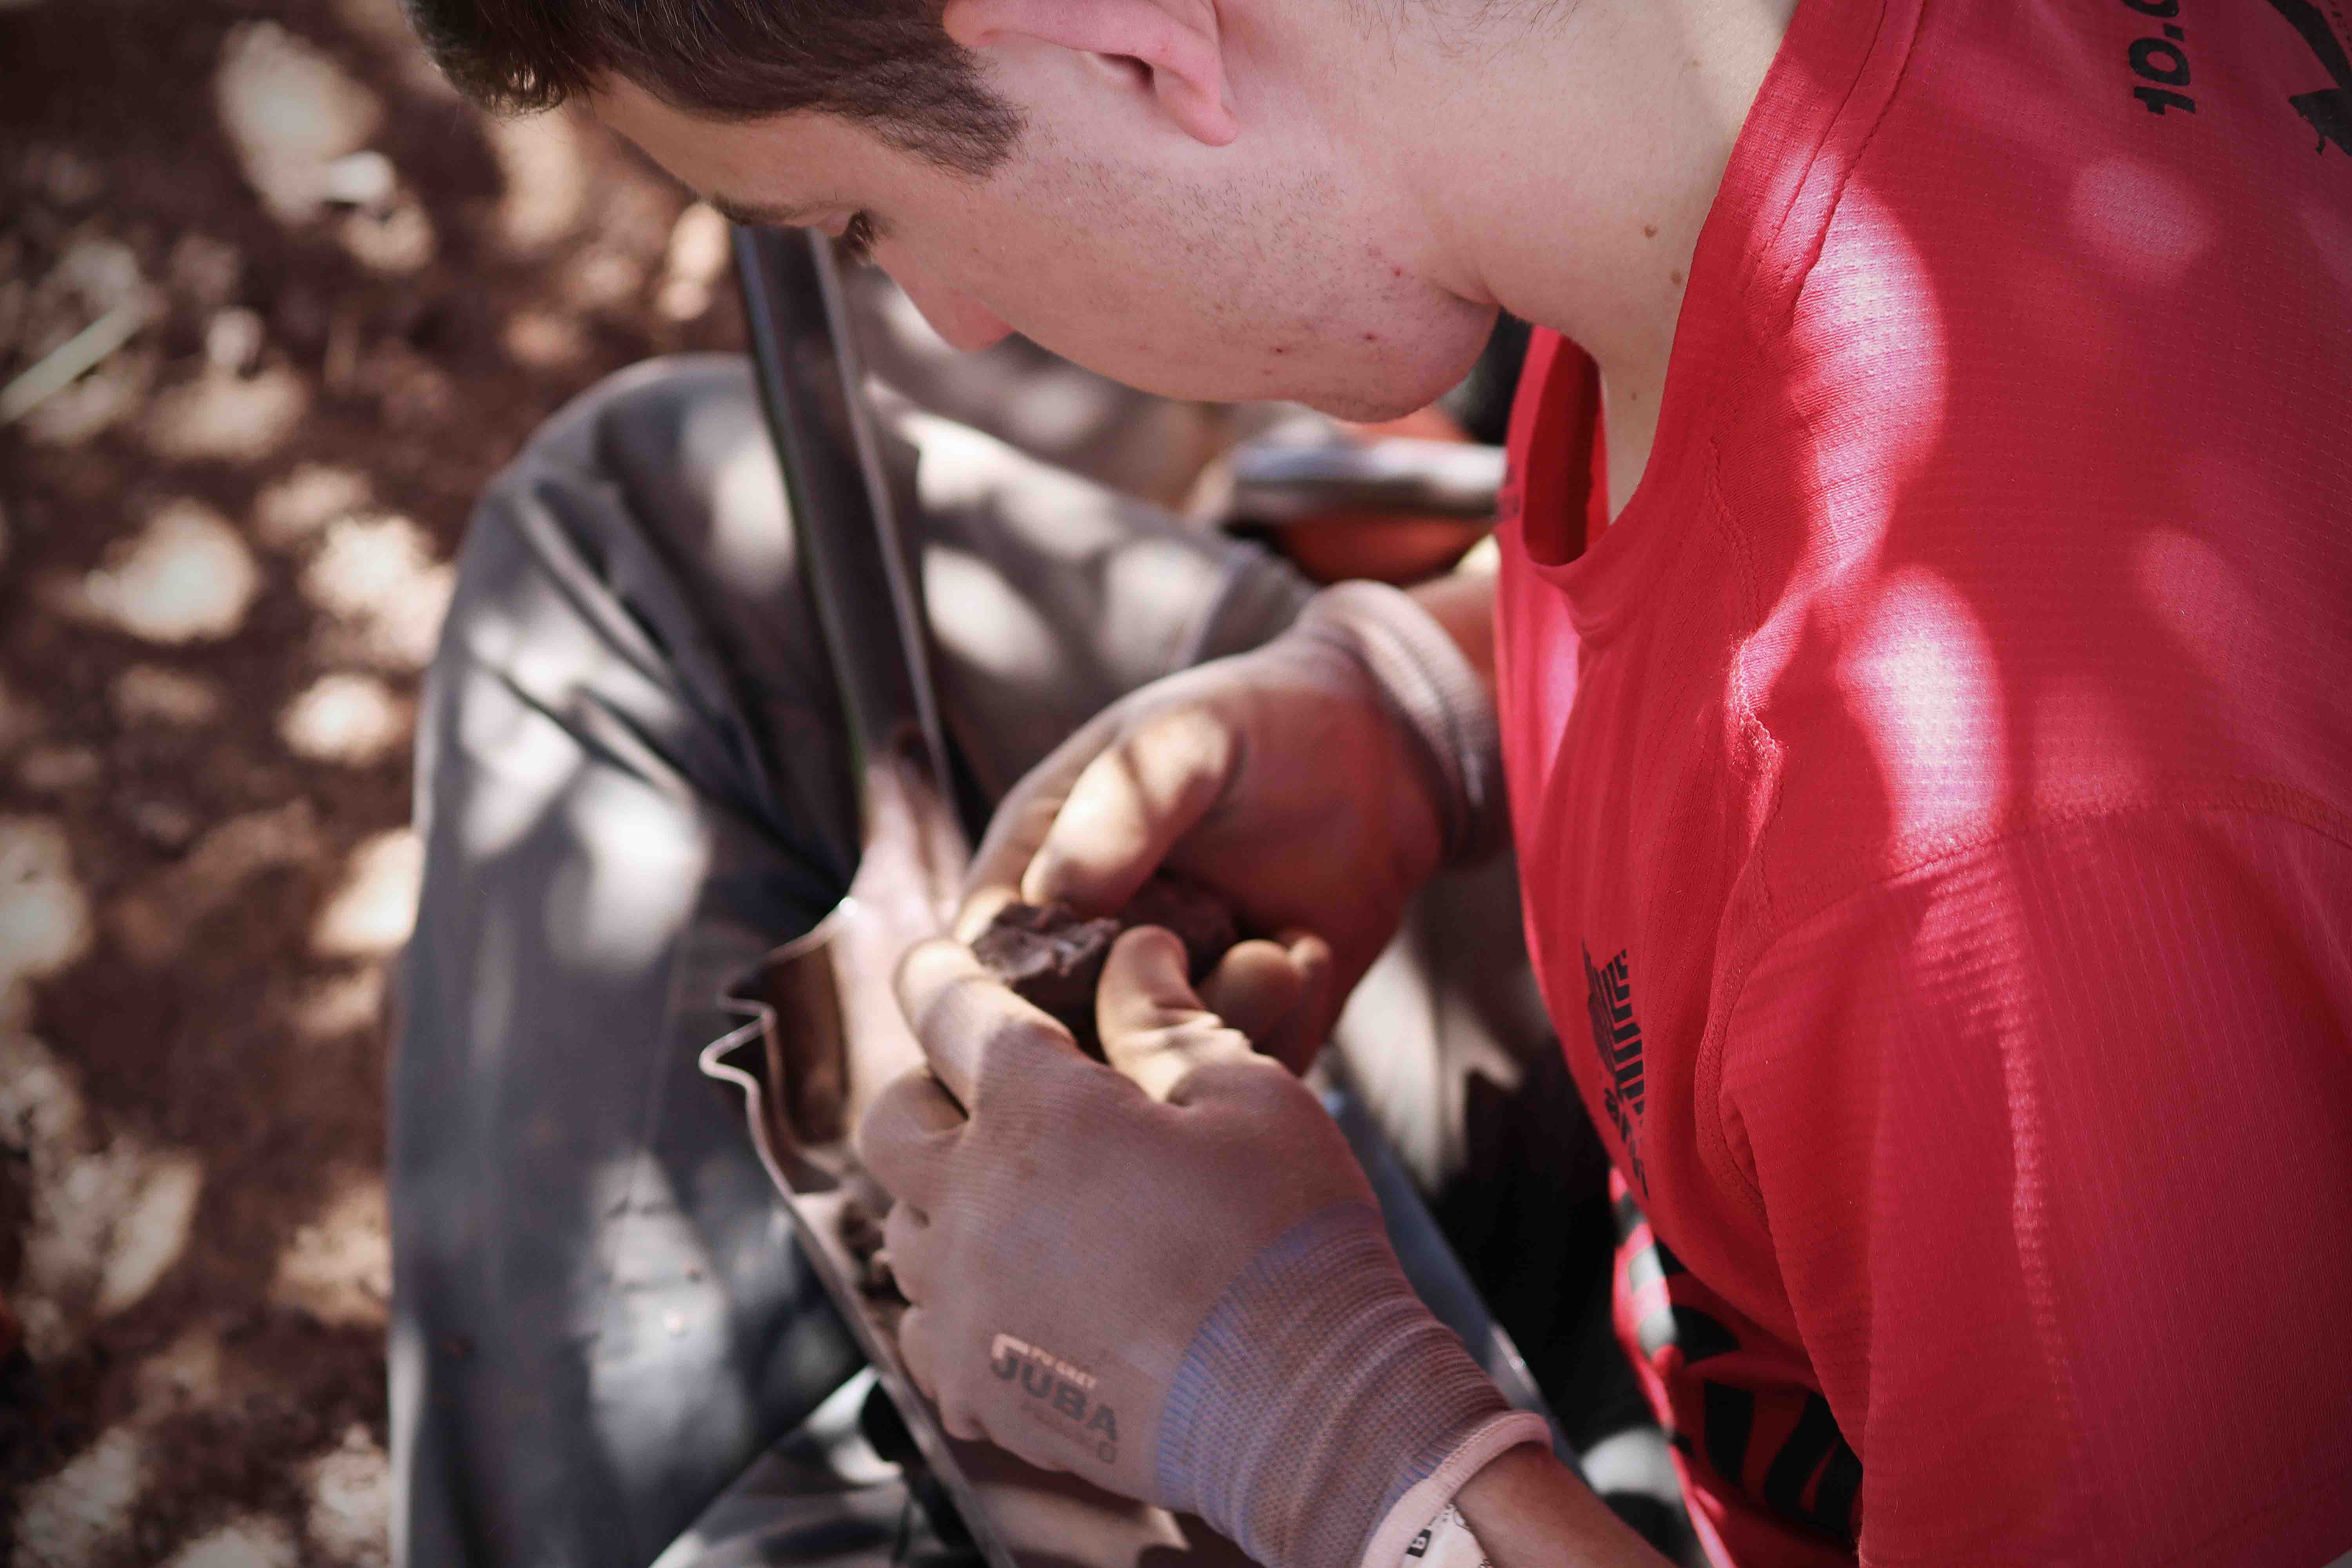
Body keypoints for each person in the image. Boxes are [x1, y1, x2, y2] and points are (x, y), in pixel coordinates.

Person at [387, 0, 2352, 1559]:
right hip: (1720, 1175)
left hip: (1708, 1447)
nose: (949, 321)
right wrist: (1433, 696)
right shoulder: (1713, 126)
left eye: (865, 226)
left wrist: (1327, 1433)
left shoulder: (2024, 910)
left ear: (1123, 34)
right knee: (639, 520)